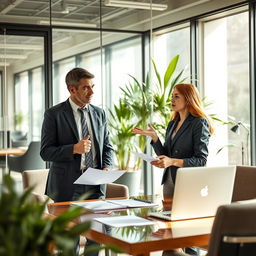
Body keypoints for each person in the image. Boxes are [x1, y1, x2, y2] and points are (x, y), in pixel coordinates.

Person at [132, 83, 214, 255]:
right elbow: (165, 155)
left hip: (188, 186)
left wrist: (172, 161)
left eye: (177, 96)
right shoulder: (172, 123)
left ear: (188, 99)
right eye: (172, 96)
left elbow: (201, 160)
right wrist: (155, 139)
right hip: (169, 184)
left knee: (188, 237)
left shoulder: (199, 123)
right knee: (171, 236)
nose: (172, 99)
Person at [40, 67, 113, 254]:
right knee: (68, 240)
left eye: (93, 86)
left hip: (96, 184)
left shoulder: (99, 113)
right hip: (67, 185)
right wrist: (73, 148)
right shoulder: (53, 114)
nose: (92, 92)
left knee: (97, 236)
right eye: (86, 88)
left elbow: (107, 146)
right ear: (72, 90)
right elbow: (45, 152)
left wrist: (106, 168)